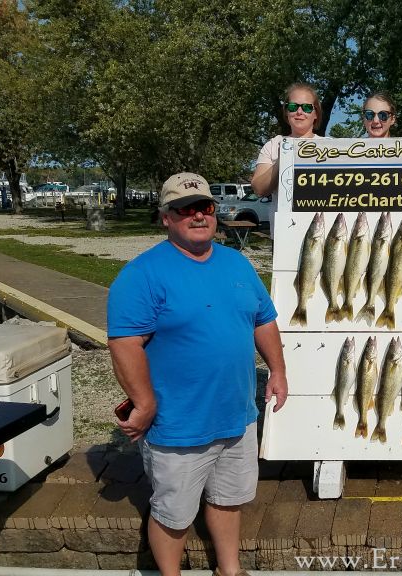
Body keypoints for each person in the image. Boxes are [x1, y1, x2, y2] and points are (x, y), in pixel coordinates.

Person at [107, 172, 288, 576]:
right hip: (178, 423)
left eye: (204, 207)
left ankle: (229, 569)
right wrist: (145, 402)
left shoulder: (236, 262)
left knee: (229, 498)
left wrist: (277, 369)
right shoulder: (142, 274)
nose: (197, 215)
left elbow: (264, 319)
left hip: (237, 416)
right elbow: (124, 343)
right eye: (184, 209)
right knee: (174, 513)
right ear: (166, 218)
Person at [251, 82, 321, 198]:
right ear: (287, 112)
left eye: (307, 107)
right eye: (293, 107)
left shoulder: (331, 146)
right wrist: (282, 158)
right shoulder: (273, 145)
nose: (299, 112)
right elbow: (259, 189)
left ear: (316, 114)